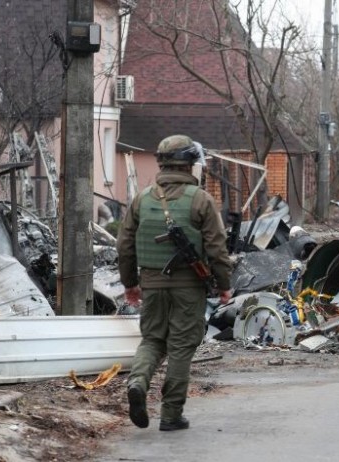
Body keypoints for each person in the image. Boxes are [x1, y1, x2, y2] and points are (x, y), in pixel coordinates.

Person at [117, 135, 232, 432]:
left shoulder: (142, 199)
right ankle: (170, 415)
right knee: (181, 346)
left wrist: (130, 284)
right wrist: (224, 285)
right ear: (190, 165)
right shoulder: (201, 200)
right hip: (189, 287)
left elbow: (125, 245)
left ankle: (138, 383)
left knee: (153, 339)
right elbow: (217, 249)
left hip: (151, 284)